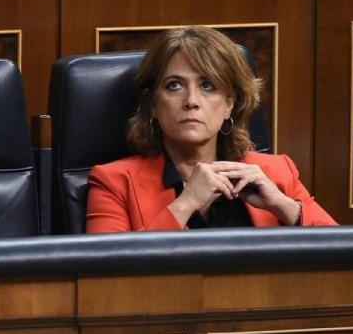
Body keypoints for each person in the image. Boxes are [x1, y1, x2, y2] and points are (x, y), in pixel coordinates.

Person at [85, 26, 336, 233]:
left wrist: (283, 206)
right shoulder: (114, 183)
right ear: (152, 104)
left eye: (208, 85)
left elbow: (341, 256)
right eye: (174, 85)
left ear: (229, 104)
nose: (191, 100)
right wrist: (185, 204)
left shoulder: (277, 172)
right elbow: (105, 278)